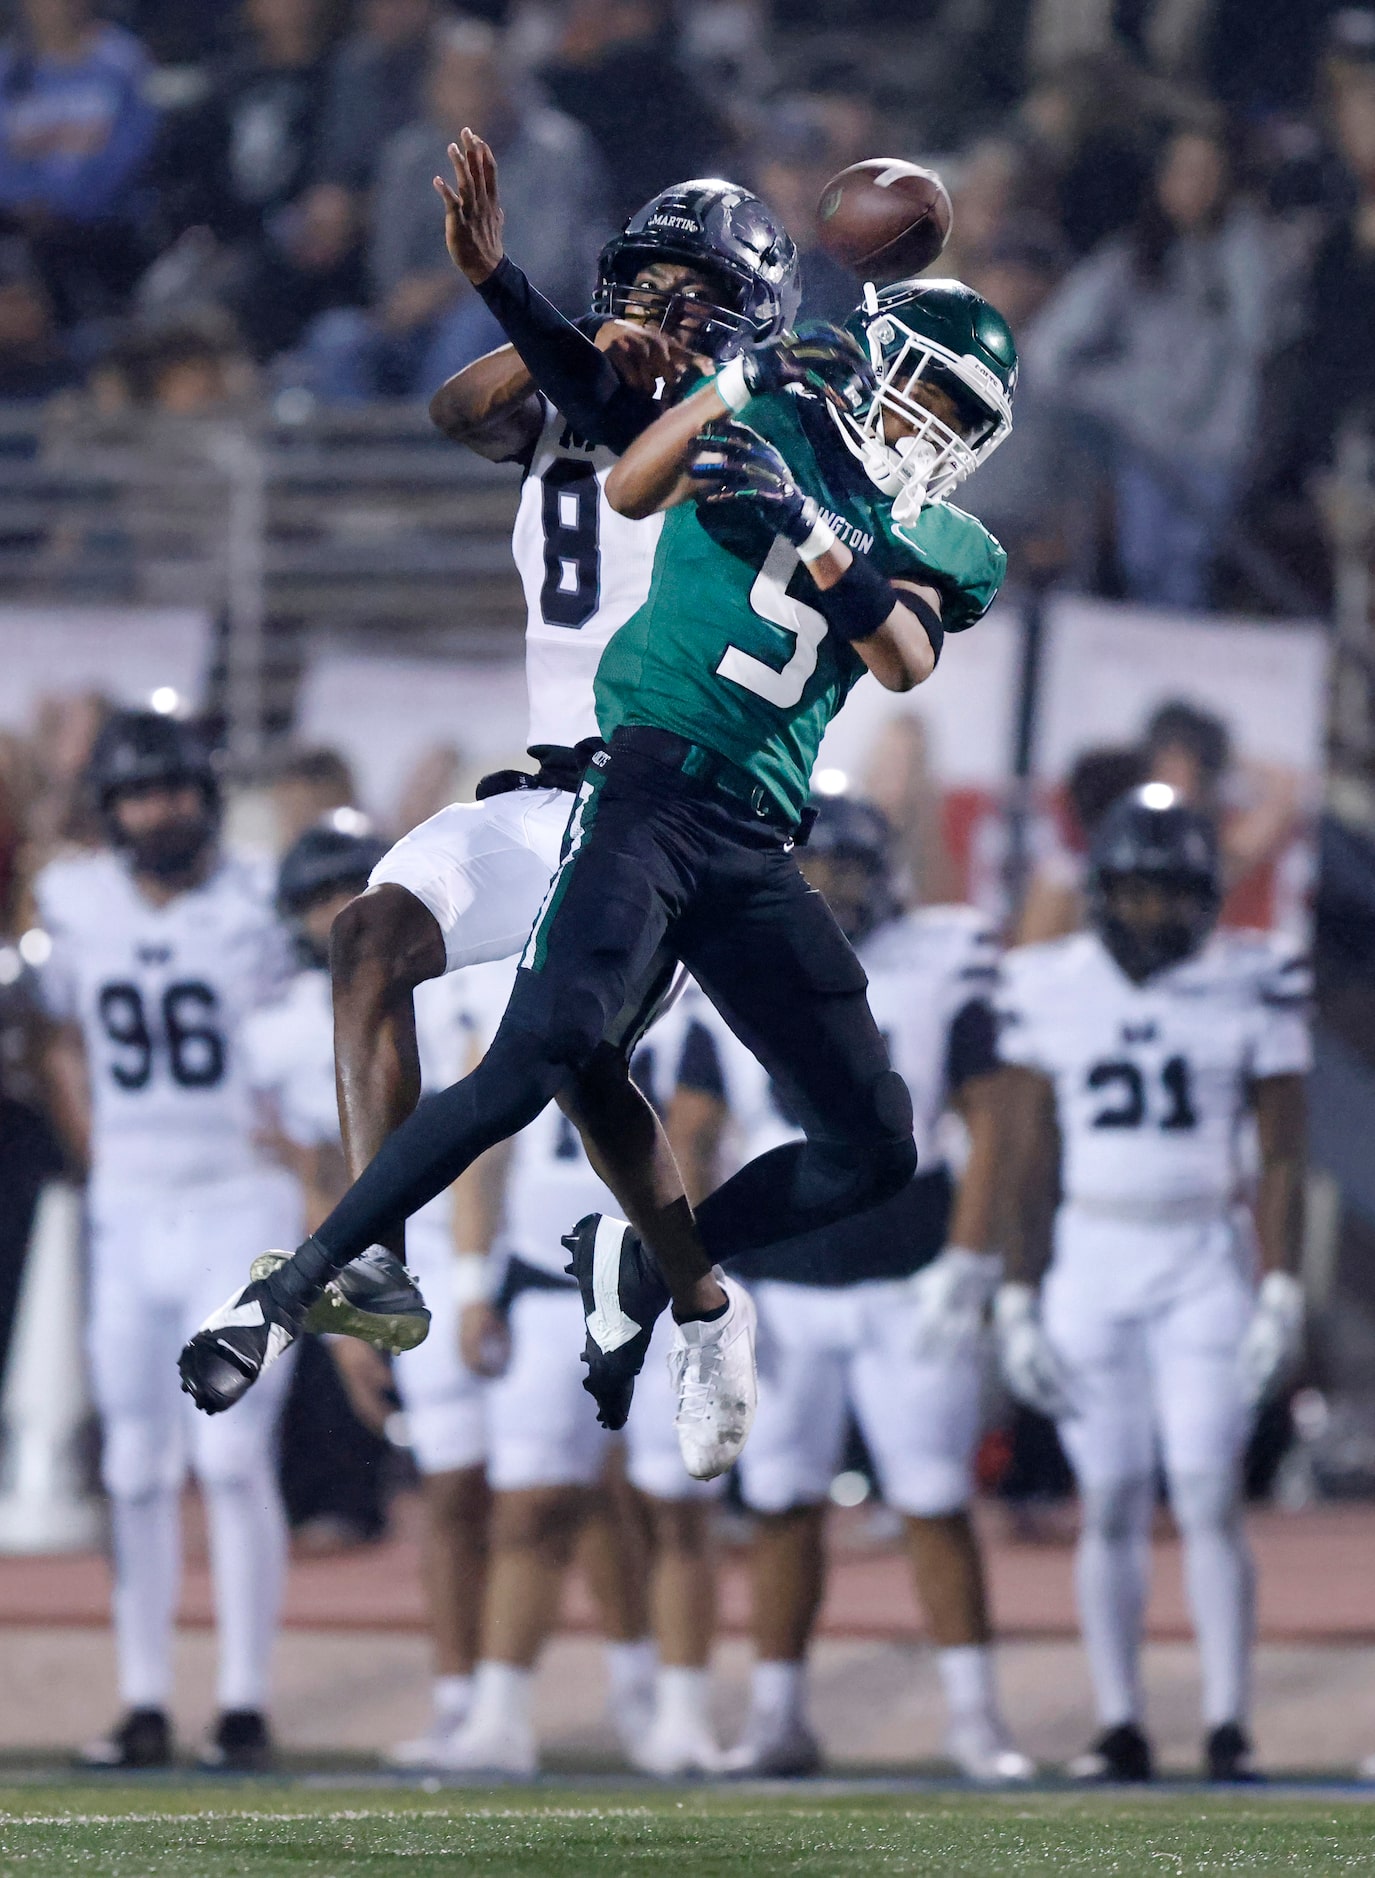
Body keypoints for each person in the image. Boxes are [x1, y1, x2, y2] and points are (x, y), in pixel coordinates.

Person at [179, 268, 1013, 1491]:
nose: (932, 419)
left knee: (876, 1149)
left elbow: (900, 656)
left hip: (758, 836)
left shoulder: (951, 538)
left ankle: (659, 1264)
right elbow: (620, 482)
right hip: (639, 791)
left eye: (961, 406)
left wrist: (816, 533)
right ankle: (292, 1293)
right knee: (540, 1053)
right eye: (925, 383)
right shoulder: (760, 418)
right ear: (873, 362)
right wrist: (717, 378)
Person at [185, 144, 800, 1408]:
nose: (663, 311)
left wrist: (647, 364)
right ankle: (376, 1264)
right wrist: (562, 330)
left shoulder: (756, 429)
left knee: (576, 1068)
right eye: (648, 285)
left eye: (696, 295)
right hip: (544, 791)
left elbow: (667, 447)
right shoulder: (569, 383)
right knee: (367, 939)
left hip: (668, 810)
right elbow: (460, 412)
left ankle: (697, 1305)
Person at [668, 798, 1031, 1782]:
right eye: (816, 864)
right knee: (780, 1499)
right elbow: (690, 1129)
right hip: (779, 1283)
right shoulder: (722, 961)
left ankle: (973, 1719)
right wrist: (698, 1278)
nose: (836, 886)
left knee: (932, 1497)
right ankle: (778, 1719)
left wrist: (968, 1258)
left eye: (853, 867)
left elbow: (994, 1116)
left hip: (905, 1266)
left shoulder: (936, 958)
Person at [992, 784, 1309, 1782]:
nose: (1150, 914)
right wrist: (1014, 1290)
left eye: (1170, 895)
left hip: (1202, 1256)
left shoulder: (1252, 977)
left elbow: (1285, 1153)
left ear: (1208, 897)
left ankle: (1227, 1724)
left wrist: (1280, 1285)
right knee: (1113, 1491)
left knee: (1211, 1489)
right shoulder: (1049, 982)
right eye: (1132, 893)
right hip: (1091, 1254)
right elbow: (1026, 1153)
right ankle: (1120, 1722)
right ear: (1098, 893)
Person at [36, 710, 301, 1771]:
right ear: (112, 807)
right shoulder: (70, 898)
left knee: (231, 1455)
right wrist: (94, 1144)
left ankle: (243, 1702)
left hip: (241, 1200)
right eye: (142, 793)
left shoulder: (258, 900)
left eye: (179, 790)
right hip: (132, 1203)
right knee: (139, 1466)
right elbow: (54, 1033)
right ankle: (143, 1699)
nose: (163, 810)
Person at [435, 961, 724, 1777]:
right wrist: (468, 1284)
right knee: (528, 1506)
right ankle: (498, 1715)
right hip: (543, 1282)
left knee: (675, 1509)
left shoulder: (693, 1003)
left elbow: (698, 1143)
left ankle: (683, 1716)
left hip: (657, 1285)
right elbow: (479, 1149)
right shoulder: (516, 999)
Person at [1026, 119, 1274, 608]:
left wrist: (1235, 246)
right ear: (1161, 181)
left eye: (1208, 172)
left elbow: (1257, 336)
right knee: (1143, 563)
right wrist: (1115, 394)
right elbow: (1048, 350)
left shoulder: (1250, 253)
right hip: (1146, 449)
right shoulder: (1132, 257)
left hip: (1215, 451)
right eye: (1183, 171)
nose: (1195, 186)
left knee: (1188, 567)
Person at [296, 18, 611, 400]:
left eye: (481, 79)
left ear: (507, 86)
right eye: (455, 80)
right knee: (336, 338)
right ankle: (355, 459)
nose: (469, 95)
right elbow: (387, 265)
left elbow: (549, 267)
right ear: (431, 89)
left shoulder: (557, 151)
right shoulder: (408, 156)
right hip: (417, 322)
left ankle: (435, 456)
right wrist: (412, 300)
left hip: (522, 324)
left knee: (470, 328)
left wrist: (448, 290)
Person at [0, 0, 159, 326]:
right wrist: (23, 203)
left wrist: (67, 206)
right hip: (23, 228)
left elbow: (133, 150)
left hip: (108, 227)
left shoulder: (123, 61)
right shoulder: (9, 71)